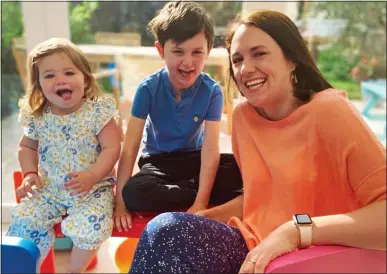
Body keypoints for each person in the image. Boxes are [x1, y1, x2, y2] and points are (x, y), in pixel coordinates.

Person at [128, 10, 386, 274]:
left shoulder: (331, 111)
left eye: (259, 53)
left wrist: (296, 230)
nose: (245, 68)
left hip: (316, 258)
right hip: (253, 247)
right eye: (237, 59)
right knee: (166, 230)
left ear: (292, 59)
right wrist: (200, 217)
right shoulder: (243, 117)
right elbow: (261, 199)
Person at [113, 1, 243, 232]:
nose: (188, 62)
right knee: (134, 192)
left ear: (209, 50)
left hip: (195, 159)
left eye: (197, 52)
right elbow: (130, 148)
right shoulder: (148, 88)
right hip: (158, 163)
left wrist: (201, 203)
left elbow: (211, 149)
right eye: (178, 52)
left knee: (243, 169)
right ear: (161, 50)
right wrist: (120, 203)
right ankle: (194, 189)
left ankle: (195, 190)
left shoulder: (212, 91)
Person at [7, 38, 121, 273]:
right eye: (49, 76)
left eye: (69, 72)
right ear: (38, 84)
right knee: (26, 220)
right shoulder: (38, 117)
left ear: (85, 79)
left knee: (92, 224)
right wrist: (29, 173)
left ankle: (74, 270)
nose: (60, 80)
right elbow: (26, 147)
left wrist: (92, 175)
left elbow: (112, 148)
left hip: (92, 190)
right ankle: (28, 268)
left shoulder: (97, 113)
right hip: (49, 190)